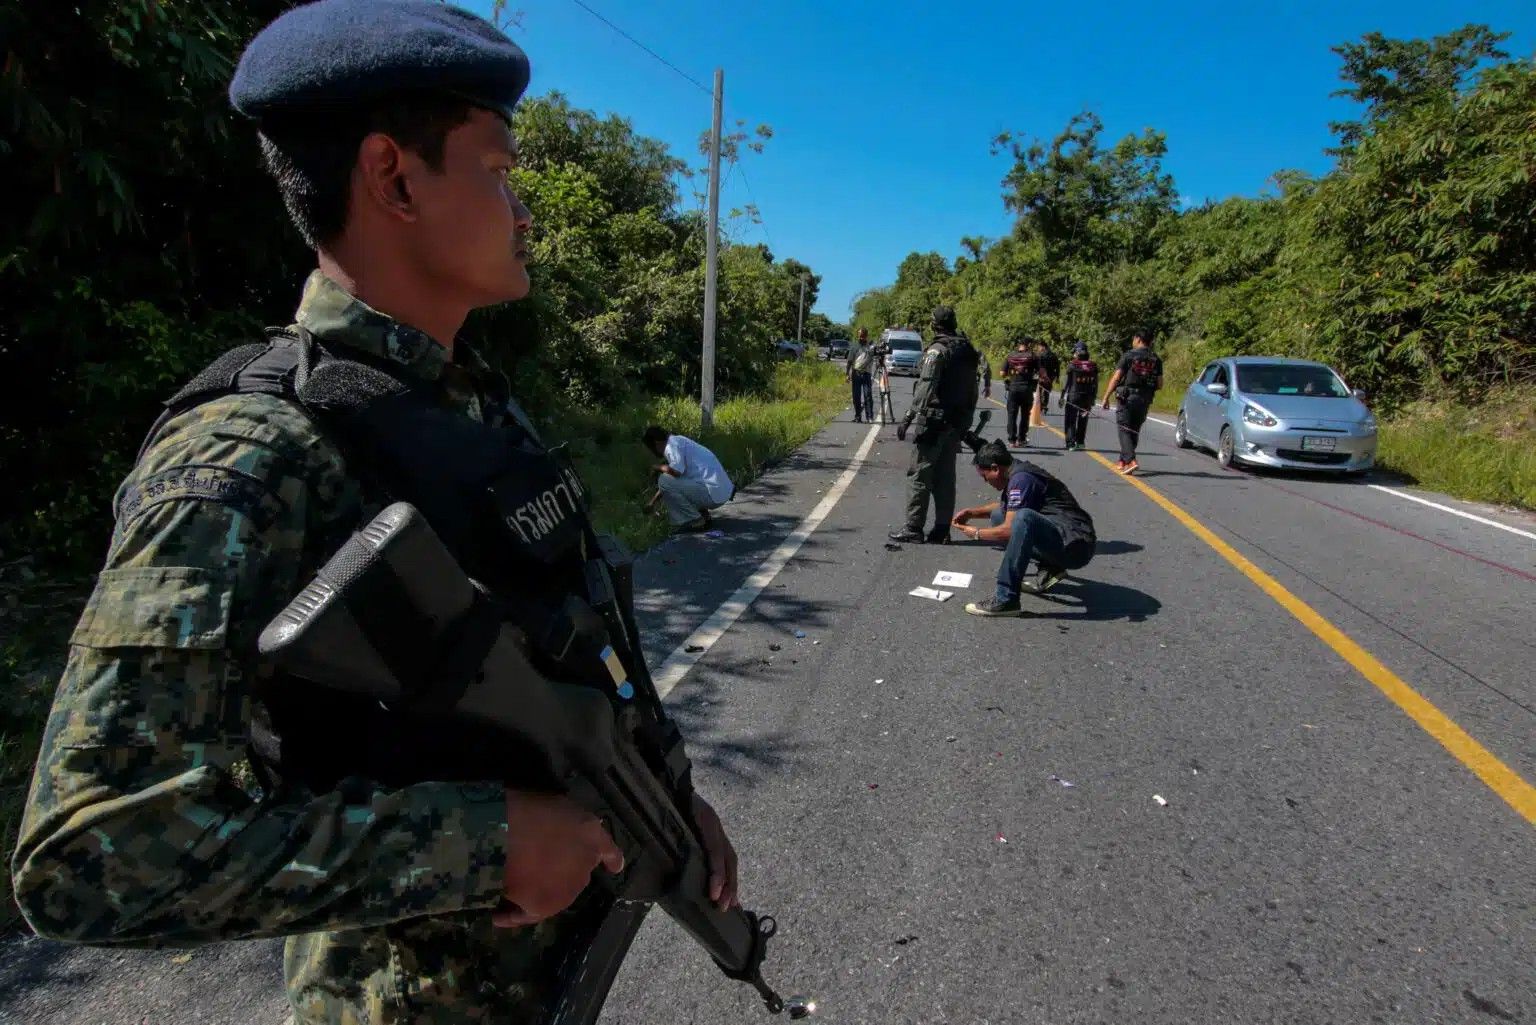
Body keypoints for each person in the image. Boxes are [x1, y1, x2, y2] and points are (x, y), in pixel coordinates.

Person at [10, 4, 742, 1023]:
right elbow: (89, 849)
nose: (524, 210)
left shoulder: (471, 405)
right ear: (395, 177)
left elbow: (567, 639)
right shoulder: (254, 450)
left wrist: (663, 788)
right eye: (499, 171)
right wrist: (485, 844)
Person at [951, 441, 1097, 617]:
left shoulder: (1022, 480)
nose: (985, 481)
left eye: (985, 476)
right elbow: (1008, 505)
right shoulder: (1017, 472)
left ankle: (1006, 599)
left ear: (995, 468)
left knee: (1023, 518)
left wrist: (976, 533)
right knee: (999, 515)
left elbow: (1009, 530)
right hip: (1065, 539)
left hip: (1076, 548)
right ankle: (1051, 567)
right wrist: (972, 512)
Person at [889, 306, 982, 544]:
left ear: (934, 324)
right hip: (956, 422)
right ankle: (942, 529)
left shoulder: (938, 351)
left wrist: (909, 416)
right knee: (945, 477)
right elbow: (973, 389)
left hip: (933, 421)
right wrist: (966, 421)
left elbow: (926, 385)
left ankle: (913, 527)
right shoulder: (968, 350)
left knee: (920, 474)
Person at [643, 425, 735, 531]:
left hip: (712, 492)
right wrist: (653, 502)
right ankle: (705, 517)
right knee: (667, 479)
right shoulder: (678, 442)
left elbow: (674, 475)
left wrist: (658, 467)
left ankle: (696, 520)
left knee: (663, 479)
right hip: (718, 490)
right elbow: (674, 484)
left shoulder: (672, 446)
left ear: (656, 443)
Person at [1101, 326, 1164, 474]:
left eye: (1134, 339)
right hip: (1145, 399)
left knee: (1124, 428)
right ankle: (1123, 460)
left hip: (1127, 397)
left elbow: (1116, 377)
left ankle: (1131, 460)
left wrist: (1106, 397)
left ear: (1138, 339)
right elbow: (1160, 384)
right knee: (1134, 430)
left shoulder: (1129, 356)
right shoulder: (1157, 359)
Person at [1060, 341, 1099, 450]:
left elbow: (1066, 383)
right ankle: (1080, 442)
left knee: (1070, 419)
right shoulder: (1093, 366)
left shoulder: (1072, 365)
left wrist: (1062, 396)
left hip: (1073, 396)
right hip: (1087, 397)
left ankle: (1071, 443)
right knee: (1083, 419)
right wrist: (1093, 397)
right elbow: (1095, 383)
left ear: (1077, 353)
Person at [1001, 338, 1038, 448]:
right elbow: (1041, 372)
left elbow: (1002, 373)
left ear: (1018, 345)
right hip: (1027, 389)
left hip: (1013, 389)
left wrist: (1011, 376)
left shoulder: (1010, 356)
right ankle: (1021, 439)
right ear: (1028, 345)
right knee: (1025, 415)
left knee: (1012, 414)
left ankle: (1012, 440)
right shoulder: (1033, 356)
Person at [847, 327, 876, 423]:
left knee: (868, 395)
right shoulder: (854, 347)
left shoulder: (870, 347)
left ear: (866, 336)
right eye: (860, 336)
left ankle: (869, 417)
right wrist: (847, 374)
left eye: (863, 336)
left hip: (867, 374)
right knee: (856, 397)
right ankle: (858, 416)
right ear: (857, 336)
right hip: (856, 374)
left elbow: (876, 355)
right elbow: (850, 361)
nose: (861, 338)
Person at [1034, 340, 1061, 417]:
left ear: (1043, 347)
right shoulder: (1053, 355)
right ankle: (1044, 406)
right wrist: (1057, 377)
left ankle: (1040, 406)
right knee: (1046, 391)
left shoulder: (1040, 356)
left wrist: (1035, 374)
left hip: (1041, 376)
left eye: (1039, 347)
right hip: (1050, 376)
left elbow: (1038, 367)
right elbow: (1057, 367)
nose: (1038, 349)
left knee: (1038, 390)